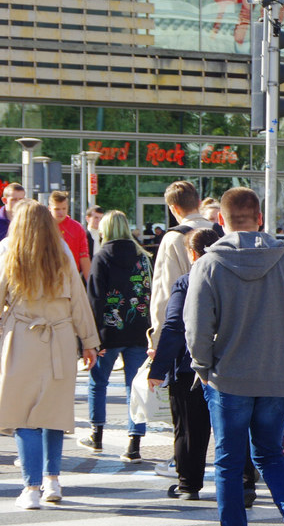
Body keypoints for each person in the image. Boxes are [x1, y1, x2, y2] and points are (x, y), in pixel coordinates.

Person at [184, 187, 284, 526]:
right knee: (270, 453)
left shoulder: (208, 264)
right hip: (278, 374)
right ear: (260, 219)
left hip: (229, 377)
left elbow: (196, 327)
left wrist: (203, 367)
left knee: (228, 460)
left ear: (219, 221)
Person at [0, 200, 100, 509]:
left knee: (24, 416)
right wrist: (89, 341)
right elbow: (79, 301)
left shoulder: (8, 250)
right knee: (53, 414)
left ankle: (31, 488)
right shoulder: (63, 252)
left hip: (21, 340)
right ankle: (52, 481)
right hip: (59, 338)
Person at [148, 228, 258, 503]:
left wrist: (158, 368)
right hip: (233, 365)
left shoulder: (186, 282)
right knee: (235, 427)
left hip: (190, 366)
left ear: (192, 253)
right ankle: (244, 484)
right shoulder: (237, 280)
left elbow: (174, 326)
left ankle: (189, 484)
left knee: (188, 427)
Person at [81, 209, 152, 462]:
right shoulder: (143, 258)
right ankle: (134, 444)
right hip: (138, 331)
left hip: (107, 333)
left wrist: (90, 337)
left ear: (107, 229)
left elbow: (96, 299)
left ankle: (96, 434)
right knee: (135, 388)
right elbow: (147, 293)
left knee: (98, 382)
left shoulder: (101, 257)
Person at [148, 180, 216, 355]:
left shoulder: (173, 238)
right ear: (199, 203)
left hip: (186, 332)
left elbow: (165, 293)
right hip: (220, 331)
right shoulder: (221, 231)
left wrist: (157, 340)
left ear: (174, 208)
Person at [47, 190, 90, 280]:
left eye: (64, 209)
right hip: (48, 277)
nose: (61, 212)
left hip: (71, 277)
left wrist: (90, 283)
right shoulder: (43, 227)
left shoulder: (77, 228)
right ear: (49, 208)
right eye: (57, 209)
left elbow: (84, 256)